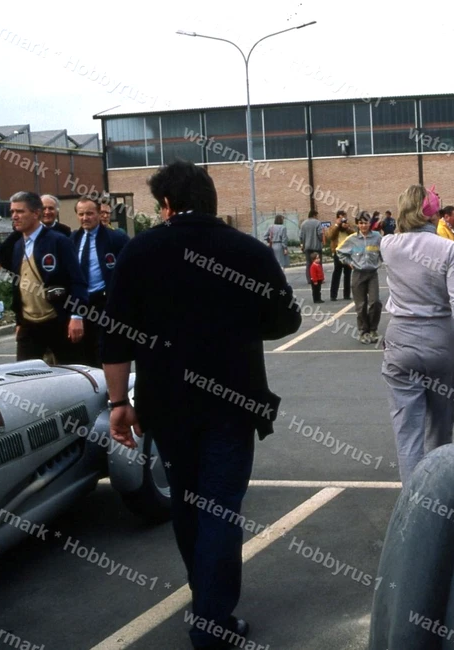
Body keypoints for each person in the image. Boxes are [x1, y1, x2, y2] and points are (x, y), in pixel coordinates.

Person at [101, 161, 301, 650]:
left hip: (165, 404)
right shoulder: (248, 251)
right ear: (210, 200)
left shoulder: (139, 252)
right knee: (221, 507)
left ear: (166, 205)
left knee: (189, 504)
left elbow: (115, 337)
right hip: (232, 403)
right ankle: (212, 618)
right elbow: (284, 321)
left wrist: (117, 402)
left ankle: (206, 600)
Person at [380, 184, 454, 482]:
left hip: (401, 340)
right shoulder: (448, 249)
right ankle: (437, 489)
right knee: (440, 428)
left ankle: (413, 500)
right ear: (433, 214)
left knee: (407, 431)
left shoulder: (388, 245)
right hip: (440, 340)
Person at [5, 191, 87, 364]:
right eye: (12, 212)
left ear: (36, 213)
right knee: (25, 375)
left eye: (20, 211)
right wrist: (19, 320)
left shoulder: (59, 241)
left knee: (69, 372)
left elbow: (77, 281)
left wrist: (76, 317)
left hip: (57, 320)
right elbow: (17, 285)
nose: (14, 216)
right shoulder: (18, 245)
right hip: (29, 324)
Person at [69, 196, 129, 367]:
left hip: (105, 303)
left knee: (105, 351)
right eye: (81, 214)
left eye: (89, 213)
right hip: (81, 302)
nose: (85, 218)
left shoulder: (115, 239)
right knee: (82, 353)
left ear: (98, 214)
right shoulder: (72, 240)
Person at [337, 212, 382, 343]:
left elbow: (384, 250)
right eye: (361, 223)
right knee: (361, 305)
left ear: (370, 224)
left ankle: (373, 329)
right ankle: (364, 331)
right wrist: (349, 262)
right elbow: (340, 252)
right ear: (357, 224)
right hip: (358, 274)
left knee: (375, 302)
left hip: (372, 273)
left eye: (366, 222)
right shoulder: (352, 239)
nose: (363, 225)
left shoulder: (377, 237)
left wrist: (382, 260)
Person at [325, 210, 355, 301]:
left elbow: (354, 235)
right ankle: (333, 295)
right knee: (336, 274)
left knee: (347, 274)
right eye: (340, 218)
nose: (343, 220)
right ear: (337, 218)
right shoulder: (333, 227)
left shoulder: (348, 226)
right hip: (338, 252)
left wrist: (347, 228)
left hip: (347, 252)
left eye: (344, 218)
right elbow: (330, 236)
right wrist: (337, 225)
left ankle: (346, 294)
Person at [299, 209, 322, 289]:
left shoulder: (303, 224)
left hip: (307, 246)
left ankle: (309, 279)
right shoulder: (317, 223)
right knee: (318, 263)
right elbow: (320, 234)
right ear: (314, 215)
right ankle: (319, 278)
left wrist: (302, 244)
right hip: (316, 246)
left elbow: (301, 236)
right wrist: (321, 239)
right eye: (317, 216)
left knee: (309, 263)